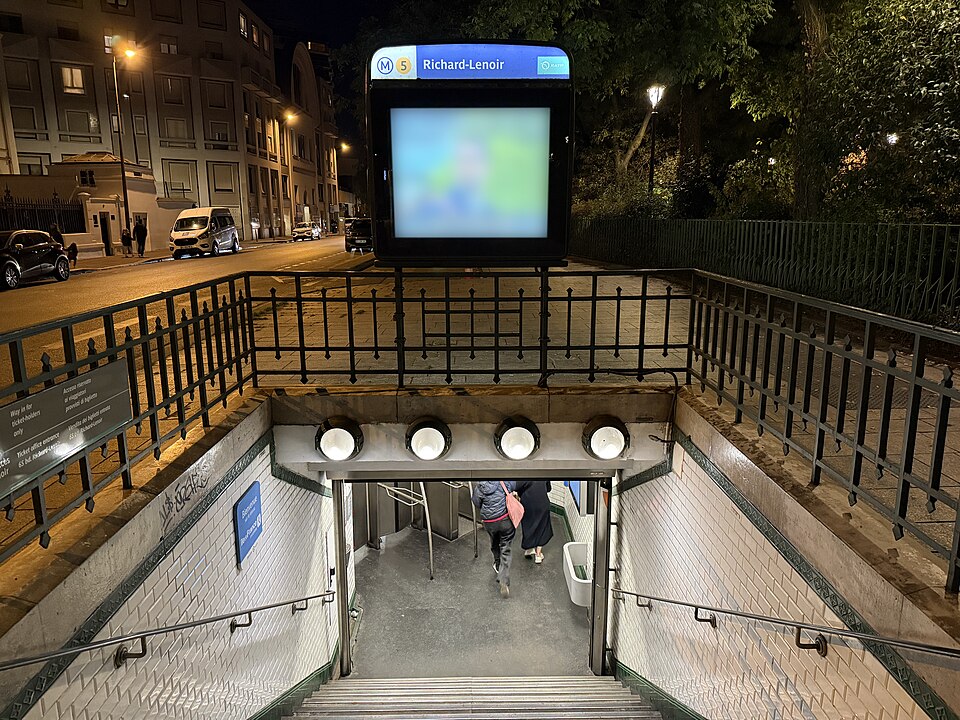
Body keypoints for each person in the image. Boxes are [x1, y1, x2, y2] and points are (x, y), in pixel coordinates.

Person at [471, 480, 517, 598]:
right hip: (505, 519)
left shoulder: (479, 487)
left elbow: (476, 502)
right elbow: (514, 485)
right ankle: (503, 579)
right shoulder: (504, 482)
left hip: (490, 522)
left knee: (494, 543)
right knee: (505, 547)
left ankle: (497, 565)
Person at [516, 481, 553, 564]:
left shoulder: (524, 474)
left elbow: (516, 487)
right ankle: (538, 555)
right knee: (542, 526)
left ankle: (528, 549)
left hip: (527, 503)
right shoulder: (543, 472)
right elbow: (548, 489)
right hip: (542, 503)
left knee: (528, 525)